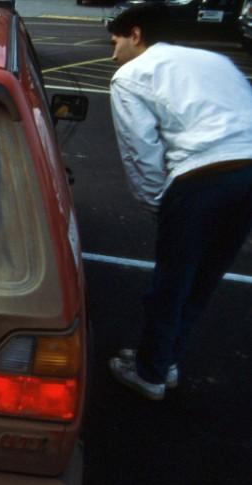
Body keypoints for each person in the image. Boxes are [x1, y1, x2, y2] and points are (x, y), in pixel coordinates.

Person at [106, 3, 252, 400]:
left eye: (115, 40)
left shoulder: (131, 76)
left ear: (135, 34)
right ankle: (165, 358)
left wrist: (161, 206)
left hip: (202, 175)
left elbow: (141, 153)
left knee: (172, 280)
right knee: (204, 278)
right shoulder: (216, 60)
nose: (112, 51)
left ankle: (150, 373)